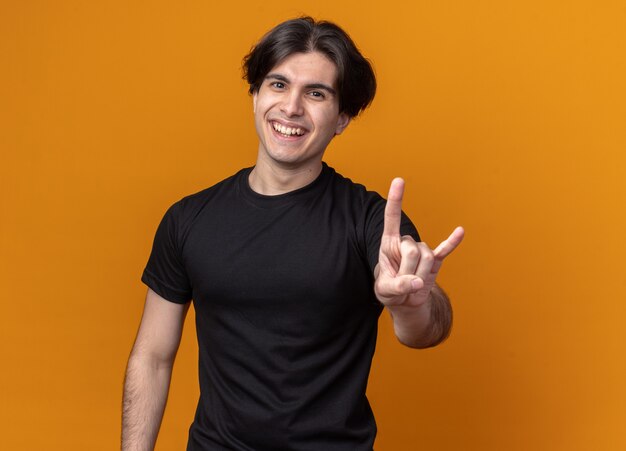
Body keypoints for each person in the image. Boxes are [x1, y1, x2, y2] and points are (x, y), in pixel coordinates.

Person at [122, 16, 464, 451]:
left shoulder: (371, 221)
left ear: (342, 118)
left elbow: (426, 331)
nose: (291, 107)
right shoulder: (189, 218)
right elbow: (151, 358)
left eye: (316, 93)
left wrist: (411, 304)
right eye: (278, 85)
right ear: (255, 94)